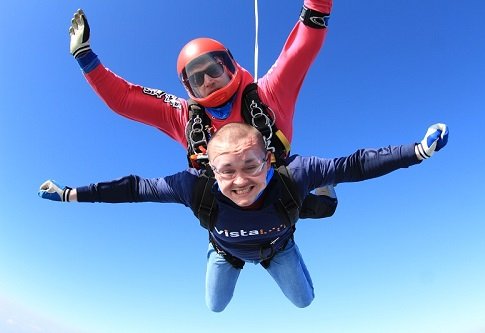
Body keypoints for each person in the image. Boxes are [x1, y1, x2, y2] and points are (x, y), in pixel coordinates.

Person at [38, 122, 449, 312]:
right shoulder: (192, 187)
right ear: (209, 170)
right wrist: (73, 194)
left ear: (269, 159)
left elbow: (356, 164)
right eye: (226, 171)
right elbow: (133, 189)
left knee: (304, 302)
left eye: (251, 167)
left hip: (275, 247)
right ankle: (228, 248)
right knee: (215, 307)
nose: (239, 182)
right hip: (228, 252)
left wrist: (417, 151)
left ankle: (308, 211)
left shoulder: (296, 173)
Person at [69, 1, 337, 217]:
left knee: (322, 208)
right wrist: (85, 56)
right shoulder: (184, 117)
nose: (207, 80)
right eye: (196, 78)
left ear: (229, 64)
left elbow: (302, 49)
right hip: (230, 198)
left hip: (276, 182)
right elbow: (124, 100)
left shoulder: (268, 94)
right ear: (189, 88)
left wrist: (318, 5)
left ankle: (322, 184)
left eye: (213, 68)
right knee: (214, 213)